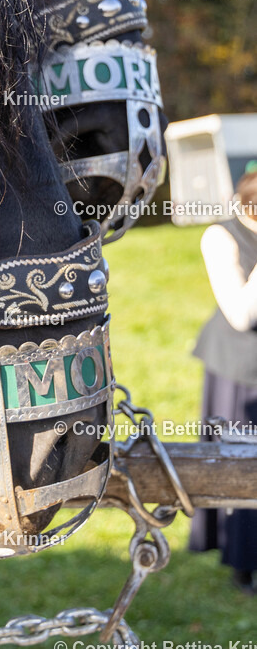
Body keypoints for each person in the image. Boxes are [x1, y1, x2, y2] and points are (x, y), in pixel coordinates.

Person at [189, 164, 257, 593]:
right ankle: (245, 562)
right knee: (246, 467)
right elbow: (242, 314)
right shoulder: (221, 235)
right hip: (241, 373)